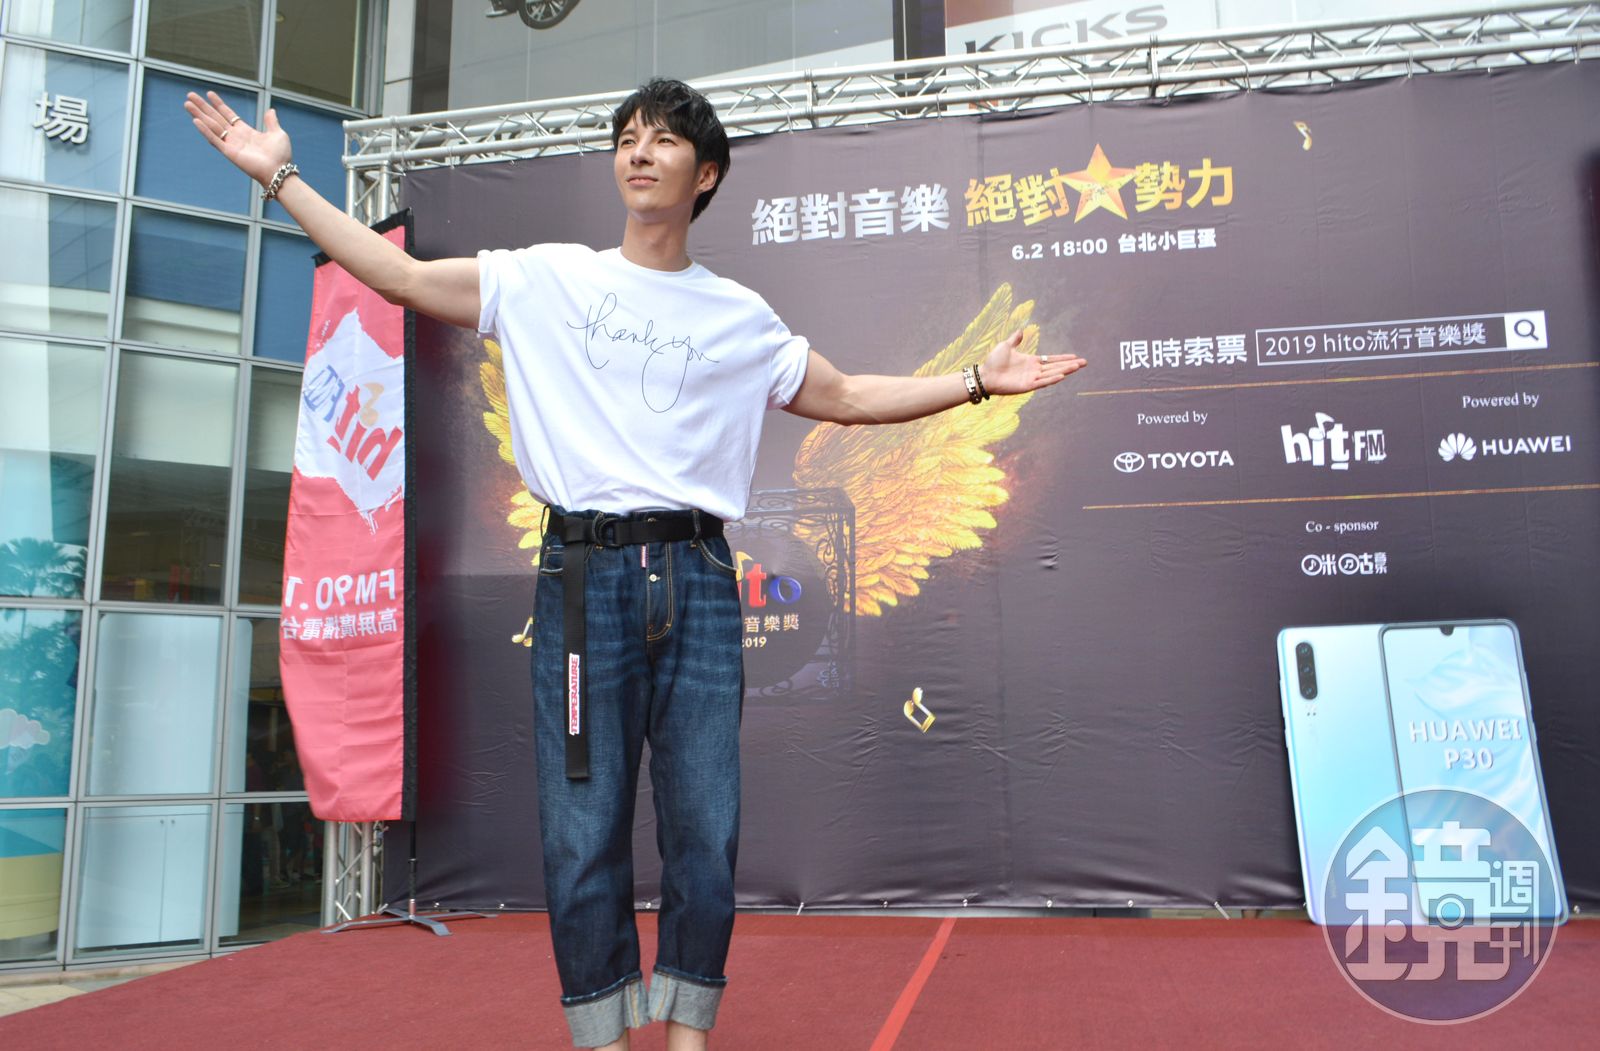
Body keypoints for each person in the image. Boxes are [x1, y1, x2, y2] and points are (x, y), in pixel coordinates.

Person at [185, 78, 1085, 1050]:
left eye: (662, 141)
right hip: (583, 581)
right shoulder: (545, 281)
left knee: (706, 828)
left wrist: (976, 382)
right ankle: (605, 1035)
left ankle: (689, 1029)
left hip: (698, 577)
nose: (639, 152)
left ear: (707, 176)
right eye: (626, 139)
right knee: (582, 831)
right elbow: (398, 276)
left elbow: (851, 397)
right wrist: (282, 180)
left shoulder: (739, 315)